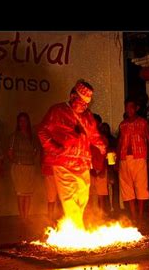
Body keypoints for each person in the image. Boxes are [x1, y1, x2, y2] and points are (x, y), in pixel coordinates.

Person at [37, 80, 107, 229]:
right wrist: (54, 148)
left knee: (82, 198)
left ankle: (74, 226)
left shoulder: (88, 116)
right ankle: (77, 231)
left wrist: (102, 147)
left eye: (86, 103)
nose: (84, 106)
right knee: (69, 198)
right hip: (63, 162)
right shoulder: (57, 111)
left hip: (83, 162)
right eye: (81, 102)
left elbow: (94, 135)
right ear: (72, 96)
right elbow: (42, 131)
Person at [117, 98, 149, 223]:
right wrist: (117, 160)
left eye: (131, 107)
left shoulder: (143, 123)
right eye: (126, 107)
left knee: (141, 185)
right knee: (127, 187)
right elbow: (120, 142)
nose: (128, 110)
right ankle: (133, 215)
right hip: (124, 159)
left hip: (139, 158)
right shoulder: (123, 124)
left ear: (136, 108)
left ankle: (140, 215)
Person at [8, 112, 38, 220]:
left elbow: (35, 151)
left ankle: (26, 216)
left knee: (28, 193)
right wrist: (17, 162)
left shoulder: (33, 137)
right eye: (20, 121)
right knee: (21, 193)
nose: (23, 123)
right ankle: (22, 217)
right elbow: (10, 153)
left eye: (25, 120)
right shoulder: (14, 136)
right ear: (18, 123)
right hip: (19, 167)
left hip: (30, 167)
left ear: (28, 122)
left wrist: (29, 161)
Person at [89, 114, 109, 214]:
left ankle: (101, 216)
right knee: (90, 194)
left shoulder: (103, 139)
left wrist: (103, 169)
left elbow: (106, 156)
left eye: (95, 123)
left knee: (101, 194)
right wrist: (90, 168)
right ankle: (92, 216)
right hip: (90, 169)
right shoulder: (87, 138)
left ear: (99, 124)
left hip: (100, 168)